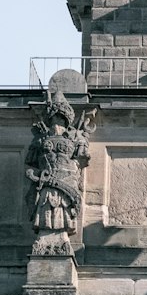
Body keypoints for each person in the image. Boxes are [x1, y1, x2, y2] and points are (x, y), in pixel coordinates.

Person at [25, 90, 91, 237]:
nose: (57, 121)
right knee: (47, 210)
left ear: (66, 120)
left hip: (67, 183)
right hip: (46, 183)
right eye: (55, 117)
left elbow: (82, 158)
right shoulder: (41, 138)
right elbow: (30, 163)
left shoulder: (74, 138)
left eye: (60, 118)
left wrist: (83, 138)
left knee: (63, 210)